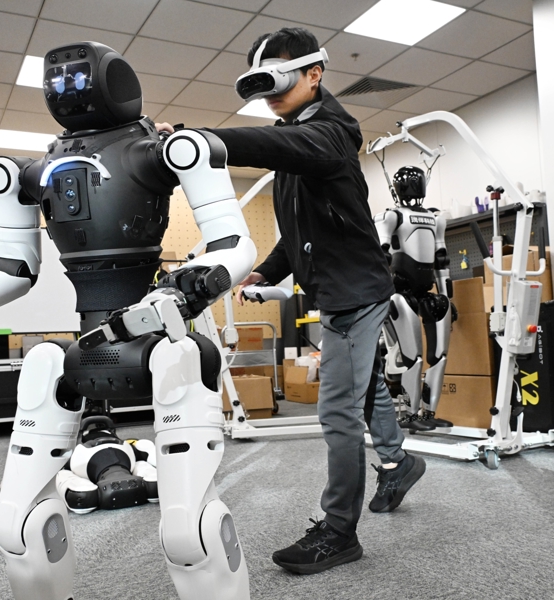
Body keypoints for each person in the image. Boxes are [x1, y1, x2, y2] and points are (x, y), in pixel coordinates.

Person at [157, 27, 425, 575]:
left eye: (277, 81)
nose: (269, 97)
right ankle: (397, 462)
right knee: (366, 387)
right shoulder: (296, 135)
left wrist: (199, 140)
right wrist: (265, 269)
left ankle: (339, 531)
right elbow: (298, 230)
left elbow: (279, 147)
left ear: (314, 73)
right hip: (337, 289)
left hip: (357, 292)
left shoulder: (331, 134)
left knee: (337, 410)